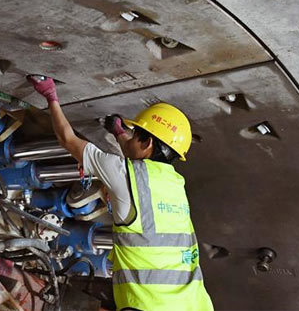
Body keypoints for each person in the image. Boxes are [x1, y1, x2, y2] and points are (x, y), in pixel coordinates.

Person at [28, 76, 213, 311]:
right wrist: (118, 132)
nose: (131, 138)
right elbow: (137, 156)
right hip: (191, 303)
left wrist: (50, 96)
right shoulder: (174, 183)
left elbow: (68, 139)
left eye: (135, 135)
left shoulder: (124, 173)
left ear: (147, 144)